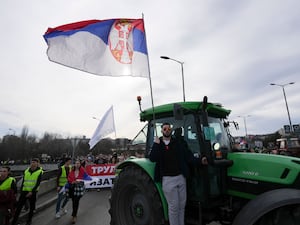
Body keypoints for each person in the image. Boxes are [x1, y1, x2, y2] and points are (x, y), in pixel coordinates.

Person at [149, 122, 208, 225]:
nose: (167, 130)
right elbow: (152, 158)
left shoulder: (177, 143)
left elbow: (188, 156)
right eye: (164, 129)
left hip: (180, 178)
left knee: (182, 205)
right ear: (162, 131)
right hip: (168, 180)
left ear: (171, 131)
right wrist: (156, 144)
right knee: (174, 207)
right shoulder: (159, 144)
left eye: (168, 129)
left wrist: (200, 161)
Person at [11, 158, 43, 225]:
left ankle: (29, 220)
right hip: (24, 191)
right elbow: (23, 181)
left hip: (33, 192)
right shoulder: (26, 171)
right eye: (32, 162)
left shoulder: (40, 172)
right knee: (19, 207)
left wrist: (31, 192)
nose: (33, 164)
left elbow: (38, 183)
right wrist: (22, 190)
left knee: (31, 207)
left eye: (34, 162)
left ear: (37, 164)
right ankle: (14, 221)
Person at [67, 159, 91, 224]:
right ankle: (74, 215)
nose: (77, 164)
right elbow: (69, 178)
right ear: (74, 164)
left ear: (80, 164)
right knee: (73, 202)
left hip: (79, 189)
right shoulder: (72, 170)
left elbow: (87, 178)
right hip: (73, 188)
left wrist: (80, 181)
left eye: (78, 163)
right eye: (76, 163)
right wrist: (72, 181)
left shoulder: (82, 170)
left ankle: (74, 216)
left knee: (76, 201)